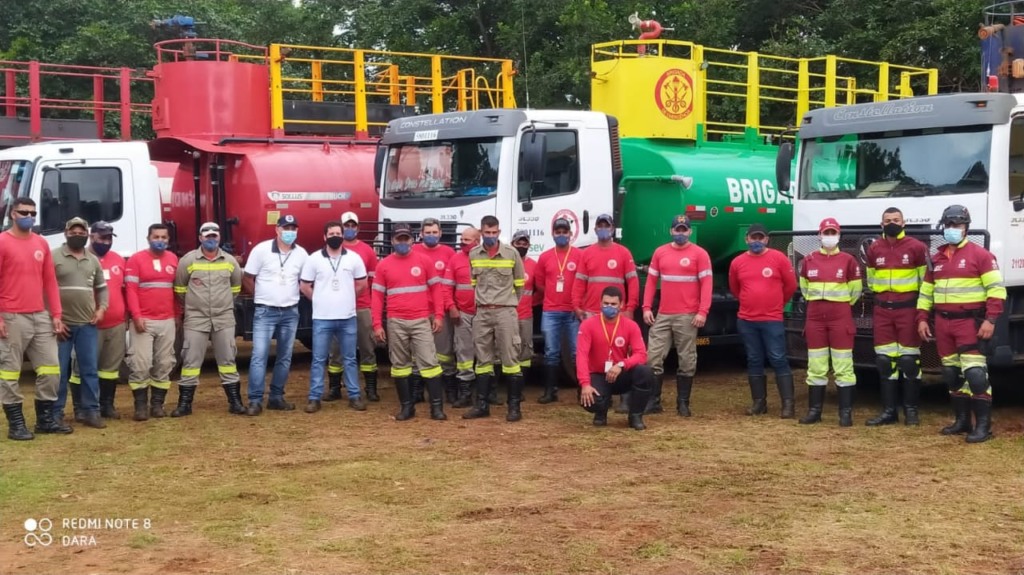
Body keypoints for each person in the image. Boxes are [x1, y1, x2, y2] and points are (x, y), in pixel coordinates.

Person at [917, 205, 1005, 443]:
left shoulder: (982, 256)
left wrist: (991, 319)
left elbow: (996, 290)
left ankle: (983, 427)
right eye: (948, 225)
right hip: (942, 323)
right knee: (952, 373)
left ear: (966, 227)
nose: (952, 229)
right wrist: (922, 318)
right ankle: (962, 421)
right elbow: (926, 292)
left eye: (957, 225)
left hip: (970, 323)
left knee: (975, 374)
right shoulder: (935, 259)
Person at [0, 198, 70, 440]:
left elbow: (50, 282)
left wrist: (57, 314)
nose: (29, 216)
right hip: (11, 315)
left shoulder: (40, 243)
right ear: (12, 214)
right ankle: (16, 425)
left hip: (40, 315)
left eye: (32, 212)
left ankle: (45, 420)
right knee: (10, 372)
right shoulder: (2, 242)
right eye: (24, 212)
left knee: (51, 368)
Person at [371, 223, 446, 421]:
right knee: (400, 366)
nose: (402, 242)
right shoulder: (383, 265)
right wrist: (377, 324)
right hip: (396, 322)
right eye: (398, 239)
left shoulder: (424, 261)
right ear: (392, 241)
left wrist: (438, 315)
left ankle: (436, 408)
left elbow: (437, 289)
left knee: (430, 364)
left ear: (412, 240)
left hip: (421, 320)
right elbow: (377, 297)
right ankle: (407, 407)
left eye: (406, 238)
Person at [642, 215, 712, 417]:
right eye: (677, 229)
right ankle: (654, 402)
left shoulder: (700, 254)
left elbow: (706, 285)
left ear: (690, 231)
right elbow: (651, 282)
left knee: (687, 359)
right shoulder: (660, 252)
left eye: (684, 229)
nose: (680, 233)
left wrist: (702, 311)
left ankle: (683, 403)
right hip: (663, 314)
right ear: (671, 231)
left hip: (687, 315)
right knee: (653, 357)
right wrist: (647, 307)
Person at [864, 208, 929, 426]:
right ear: (881, 224)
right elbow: (871, 281)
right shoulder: (873, 248)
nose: (892, 223)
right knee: (884, 361)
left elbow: (925, 284)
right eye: (888, 220)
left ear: (904, 223)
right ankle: (889, 412)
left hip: (908, 309)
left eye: (896, 220)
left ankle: (911, 410)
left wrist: (921, 313)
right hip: (882, 310)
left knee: (909, 360)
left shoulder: (917, 247)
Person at [171, 222, 243, 417]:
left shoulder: (229, 261)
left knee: (228, 360)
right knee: (190, 362)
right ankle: (184, 404)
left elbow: (235, 288)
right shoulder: (188, 260)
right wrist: (196, 306)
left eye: (214, 236)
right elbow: (180, 289)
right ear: (200, 238)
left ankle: (235, 402)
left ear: (219, 238)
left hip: (223, 317)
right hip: (196, 318)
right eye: (207, 236)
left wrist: (222, 303)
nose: (211, 239)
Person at [728, 223, 798, 418]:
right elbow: (735, 288)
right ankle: (759, 403)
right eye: (753, 237)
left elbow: (790, 286)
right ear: (746, 239)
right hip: (747, 320)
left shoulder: (779, 258)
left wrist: (777, 303)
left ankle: (788, 405)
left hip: (772, 319)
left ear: (767, 239)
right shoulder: (737, 262)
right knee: (754, 359)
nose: (756, 241)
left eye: (760, 238)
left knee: (777, 358)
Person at [798, 217, 862, 426]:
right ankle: (815, 411)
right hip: (815, 315)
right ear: (819, 235)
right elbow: (805, 288)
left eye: (833, 233)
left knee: (843, 364)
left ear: (839, 235)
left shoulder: (848, 260)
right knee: (816, 364)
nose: (829, 236)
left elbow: (855, 291)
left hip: (840, 314)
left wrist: (839, 303)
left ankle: (845, 413)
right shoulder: (809, 260)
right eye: (826, 233)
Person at [241, 214, 308, 415]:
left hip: (290, 311)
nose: (290, 232)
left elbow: (305, 280)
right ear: (277, 230)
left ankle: (277, 397)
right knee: (259, 355)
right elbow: (247, 277)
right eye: (286, 228)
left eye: (293, 229)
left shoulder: (302, 254)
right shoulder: (261, 250)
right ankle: (255, 400)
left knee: (285, 356)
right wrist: (259, 296)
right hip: (265, 311)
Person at [572, 213, 638, 413]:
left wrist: (629, 308)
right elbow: (579, 282)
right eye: (600, 226)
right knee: (592, 355)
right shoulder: (587, 253)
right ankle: (600, 395)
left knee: (623, 353)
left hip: (619, 313)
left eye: (606, 226)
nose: (603, 229)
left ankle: (626, 399)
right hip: (592, 313)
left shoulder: (624, 253)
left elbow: (633, 282)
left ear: (612, 229)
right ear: (595, 229)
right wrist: (577, 306)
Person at [301, 220, 368, 414]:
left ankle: (354, 396)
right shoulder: (314, 259)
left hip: (347, 317)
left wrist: (348, 297)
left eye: (338, 233)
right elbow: (305, 286)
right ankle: (314, 398)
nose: (335, 236)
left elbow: (362, 283)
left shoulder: (353, 258)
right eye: (331, 234)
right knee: (319, 359)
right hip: (322, 318)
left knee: (349, 358)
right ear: (325, 237)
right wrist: (319, 300)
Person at [463, 216, 526, 421]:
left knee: (510, 359)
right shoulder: (473, 254)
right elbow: (474, 283)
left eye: (494, 233)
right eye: (487, 233)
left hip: (505, 311)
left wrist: (508, 304)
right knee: (482, 359)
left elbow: (519, 284)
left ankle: (514, 408)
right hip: (482, 312)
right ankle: (482, 405)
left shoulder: (511, 253)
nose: (491, 236)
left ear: (499, 232)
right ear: (481, 233)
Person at [52, 217, 109, 429]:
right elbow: (44, 288)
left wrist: (101, 309)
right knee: (59, 371)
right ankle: (55, 413)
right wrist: (53, 318)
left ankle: (90, 412)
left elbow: (102, 288)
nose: (78, 235)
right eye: (73, 232)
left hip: (87, 324)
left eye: (81, 232)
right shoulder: (54, 256)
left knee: (89, 370)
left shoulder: (92, 260)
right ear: (66, 233)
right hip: (62, 326)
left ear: (87, 234)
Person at [577, 286, 652, 430]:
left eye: (613, 304)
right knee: (593, 400)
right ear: (600, 303)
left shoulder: (631, 326)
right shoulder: (588, 325)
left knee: (645, 373)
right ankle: (601, 412)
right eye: (605, 303)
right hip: (598, 374)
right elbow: (582, 355)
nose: (609, 307)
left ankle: (635, 416)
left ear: (621, 305)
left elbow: (641, 355)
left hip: (619, 373)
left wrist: (622, 364)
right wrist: (585, 384)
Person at [124, 223, 179, 421]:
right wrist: (136, 316)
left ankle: (157, 405)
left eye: (164, 237)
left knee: (164, 364)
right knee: (141, 364)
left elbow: (176, 290)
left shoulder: (173, 259)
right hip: (144, 321)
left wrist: (177, 315)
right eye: (156, 237)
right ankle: (140, 406)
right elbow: (130, 290)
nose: (160, 241)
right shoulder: (136, 260)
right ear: (148, 238)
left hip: (167, 320)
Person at [330, 211, 381, 402]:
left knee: (367, 347)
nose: (350, 229)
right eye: (346, 226)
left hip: (362, 306)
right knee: (336, 350)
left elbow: (373, 281)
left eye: (353, 226)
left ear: (357, 228)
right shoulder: (332, 250)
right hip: (337, 308)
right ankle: (335, 388)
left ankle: (370, 389)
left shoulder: (367, 251)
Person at [532, 217, 584, 404]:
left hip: (573, 311)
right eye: (558, 232)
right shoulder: (545, 256)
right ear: (553, 234)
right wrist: (553, 294)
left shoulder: (579, 255)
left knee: (576, 352)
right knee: (551, 351)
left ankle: (582, 390)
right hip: (551, 311)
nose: (561, 235)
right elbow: (539, 283)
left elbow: (583, 281)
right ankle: (550, 391)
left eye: (564, 232)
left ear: (570, 234)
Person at [410, 217, 457, 404]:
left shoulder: (449, 253)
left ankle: (450, 391)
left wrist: (448, 307)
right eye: (427, 233)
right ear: (421, 234)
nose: (431, 236)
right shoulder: (413, 252)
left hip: (441, 310)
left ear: (440, 233)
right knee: (416, 353)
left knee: (444, 353)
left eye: (434, 232)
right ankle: (417, 390)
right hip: (419, 311)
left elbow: (450, 284)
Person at [86, 221, 128, 420]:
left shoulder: (118, 260)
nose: (106, 242)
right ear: (91, 236)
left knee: (111, 369)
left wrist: (126, 316)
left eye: (109, 238)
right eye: (102, 238)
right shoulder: (83, 258)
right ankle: (84, 407)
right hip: (89, 325)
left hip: (117, 324)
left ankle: (107, 405)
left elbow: (124, 291)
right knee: (84, 368)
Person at [443, 226, 480, 407]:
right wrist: (451, 307)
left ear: (477, 241)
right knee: (464, 353)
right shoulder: (455, 259)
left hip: (484, 314)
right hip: (462, 314)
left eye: (467, 240)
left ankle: (485, 393)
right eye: (462, 239)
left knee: (486, 354)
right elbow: (447, 287)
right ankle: (465, 393)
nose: (462, 242)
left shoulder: (486, 258)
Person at [511, 230, 538, 380]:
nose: (521, 246)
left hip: (525, 315)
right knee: (506, 350)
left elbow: (539, 290)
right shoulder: (506, 263)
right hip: (507, 315)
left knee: (525, 352)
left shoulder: (534, 265)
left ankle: (519, 387)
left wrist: (529, 303)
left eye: (524, 243)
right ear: (512, 244)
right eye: (518, 243)